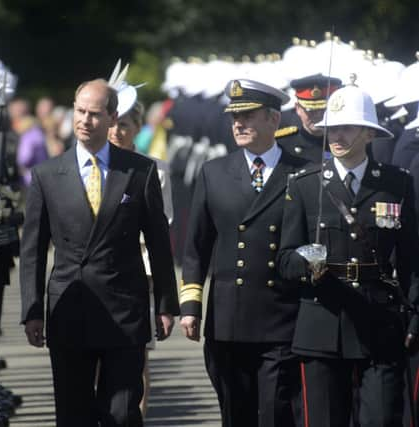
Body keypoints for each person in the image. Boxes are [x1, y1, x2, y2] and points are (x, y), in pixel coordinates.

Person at [20, 79, 179, 426]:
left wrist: (166, 304)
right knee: (73, 413)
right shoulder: (48, 174)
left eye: (94, 114)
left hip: (125, 308)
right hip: (70, 309)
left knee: (122, 413)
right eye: (80, 111)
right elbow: (32, 249)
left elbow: (157, 242)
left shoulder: (139, 171)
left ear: (111, 117)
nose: (84, 121)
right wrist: (32, 311)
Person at [277, 82, 419, 426]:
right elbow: (284, 260)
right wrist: (308, 260)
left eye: (347, 128)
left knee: (382, 418)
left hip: (379, 323)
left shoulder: (396, 184)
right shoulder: (305, 184)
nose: (337, 136)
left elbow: (412, 260)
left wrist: (414, 315)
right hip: (322, 321)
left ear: (369, 134)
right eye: (332, 128)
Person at [179, 78, 307, 427]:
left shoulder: (302, 173)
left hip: (282, 320)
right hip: (228, 323)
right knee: (235, 415)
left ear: (273, 119)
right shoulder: (215, 172)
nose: (239, 123)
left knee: (277, 414)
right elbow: (196, 248)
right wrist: (191, 306)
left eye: (249, 115)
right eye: (235, 116)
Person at [108, 96, 174, 417]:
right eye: (112, 123)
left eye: (124, 125)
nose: (116, 131)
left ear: (137, 129)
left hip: (140, 274)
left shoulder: (155, 169)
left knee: (137, 359)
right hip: (100, 273)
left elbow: (162, 228)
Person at [275, 74, 342, 163]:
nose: (318, 115)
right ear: (298, 108)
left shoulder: (345, 139)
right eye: (310, 110)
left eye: (324, 109)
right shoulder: (281, 143)